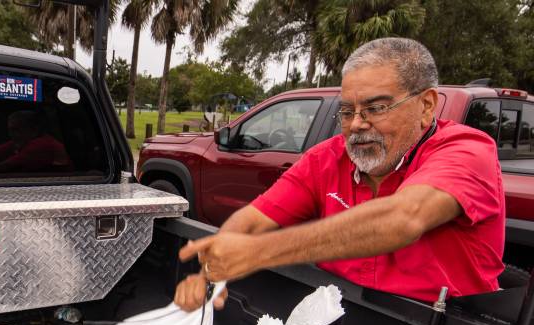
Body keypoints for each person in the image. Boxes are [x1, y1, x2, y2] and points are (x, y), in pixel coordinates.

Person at [175, 38, 505, 311]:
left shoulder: (467, 152)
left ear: (427, 106)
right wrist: (212, 272)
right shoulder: (326, 158)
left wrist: (257, 252)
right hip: (339, 323)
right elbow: (252, 221)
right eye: (347, 112)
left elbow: (402, 219)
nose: (358, 124)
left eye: (376, 109)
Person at [0, 110, 73, 174]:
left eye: (16, 130)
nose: (11, 135)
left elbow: (3, 167)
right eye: (10, 130)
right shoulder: (24, 139)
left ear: (34, 130)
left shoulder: (42, 144)